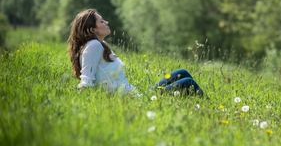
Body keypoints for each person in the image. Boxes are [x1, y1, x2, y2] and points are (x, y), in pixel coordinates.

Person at [68, 9, 204, 96]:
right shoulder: (94, 46)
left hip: (136, 95)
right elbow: (86, 81)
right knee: (187, 82)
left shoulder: (100, 45)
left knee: (182, 73)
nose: (106, 22)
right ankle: (210, 110)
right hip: (134, 101)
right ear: (93, 29)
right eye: (102, 21)